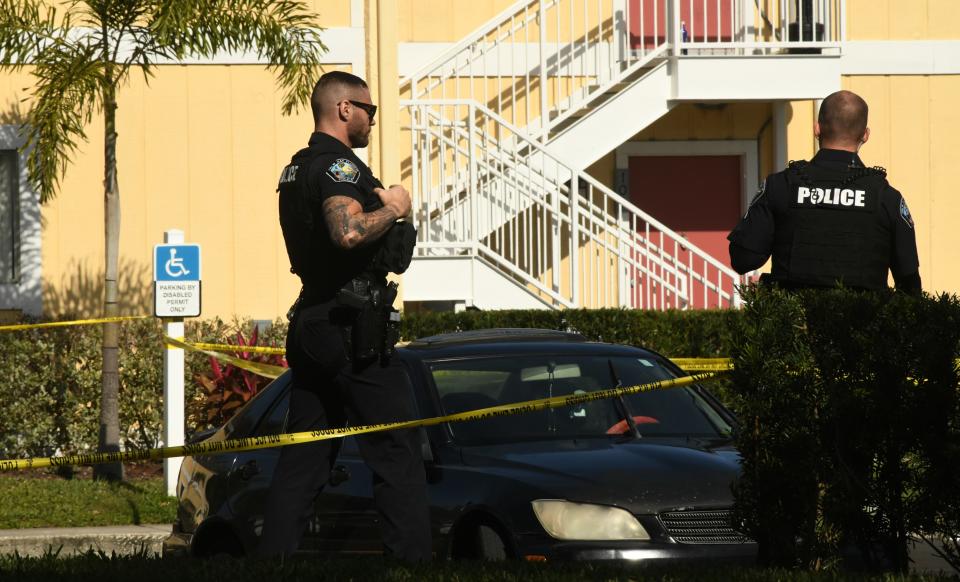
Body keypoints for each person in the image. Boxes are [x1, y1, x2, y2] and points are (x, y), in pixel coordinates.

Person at [258, 71, 431, 560]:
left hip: (314, 321)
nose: (373, 120)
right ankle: (415, 566)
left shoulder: (298, 168)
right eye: (369, 110)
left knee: (305, 459)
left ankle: (273, 563)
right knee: (396, 449)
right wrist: (395, 208)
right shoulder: (339, 167)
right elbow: (349, 233)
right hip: (349, 326)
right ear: (344, 109)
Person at [727, 90, 921, 293]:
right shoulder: (887, 197)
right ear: (865, 135)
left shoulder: (780, 185)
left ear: (817, 129)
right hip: (864, 322)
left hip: (795, 322)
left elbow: (743, 259)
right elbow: (909, 283)